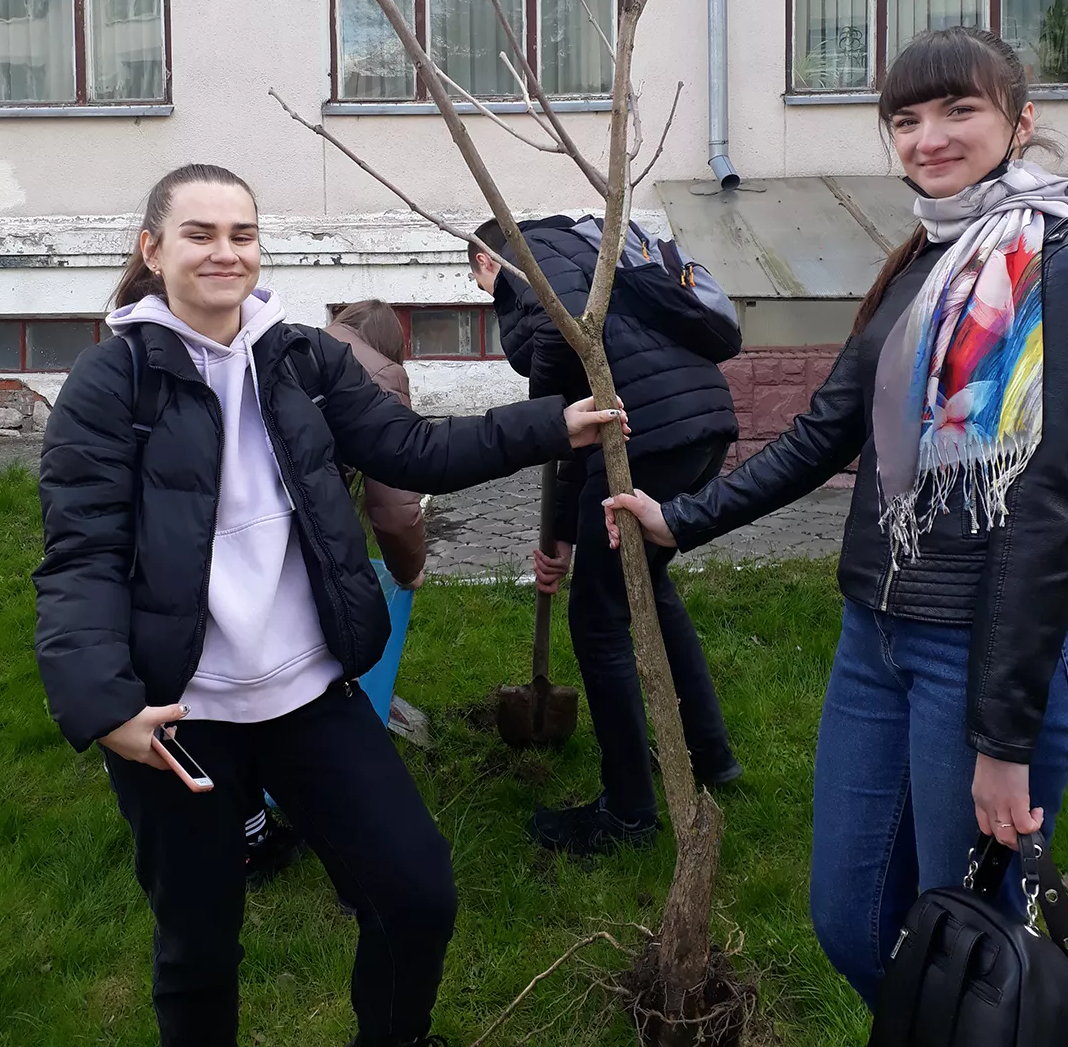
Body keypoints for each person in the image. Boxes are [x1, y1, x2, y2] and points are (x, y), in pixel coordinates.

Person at [33, 163, 627, 1047]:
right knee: (198, 948)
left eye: (242, 234)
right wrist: (102, 703)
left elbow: (413, 447)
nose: (224, 252)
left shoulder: (300, 357)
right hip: (179, 716)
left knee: (415, 894)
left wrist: (549, 423)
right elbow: (79, 554)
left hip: (311, 696)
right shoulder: (110, 382)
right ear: (153, 250)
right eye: (200, 234)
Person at [605, 27, 1068, 1007]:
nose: (928, 137)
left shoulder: (1065, 267)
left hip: (985, 655)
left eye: (958, 110)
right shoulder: (926, 258)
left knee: (962, 948)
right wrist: (684, 520)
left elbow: (1052, 506)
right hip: (872, 640)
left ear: (1021, 120)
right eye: (906, 118)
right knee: (851, 922)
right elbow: (827, 428)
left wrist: (1003, 743)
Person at [469, 213, 742, 856]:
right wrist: (562, 532)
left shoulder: (525, 254)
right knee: (646, 586)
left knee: (597, 622)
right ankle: (710, 755)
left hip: (644, 433)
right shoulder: (587, 247)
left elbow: (569, 334)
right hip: (693, 423)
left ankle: (627, 813)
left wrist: (545, 417)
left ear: (482, 262)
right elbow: (585, 393)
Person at [243, 298, 428, 891]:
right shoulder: (380, 374)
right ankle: (354, 861)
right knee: (310, 696)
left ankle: (248, 827)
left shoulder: (295, 346)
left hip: (237, 551)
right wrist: (408, 570)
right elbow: (396, 502)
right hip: (288, 548)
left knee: (231, 686)